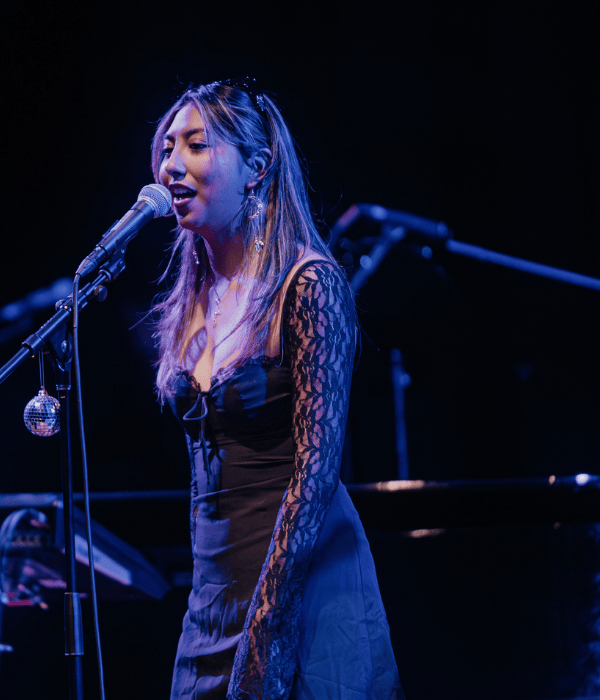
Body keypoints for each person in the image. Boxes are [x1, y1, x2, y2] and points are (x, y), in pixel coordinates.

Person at [150, 79, 403, 700]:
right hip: (212, 600)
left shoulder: (308, 285)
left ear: (258, 169)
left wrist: (269, 625)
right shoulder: (193, 302)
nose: (172, 164)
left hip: (304, 594)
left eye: (197, 145)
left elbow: (315, 472)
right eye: (167, 146)